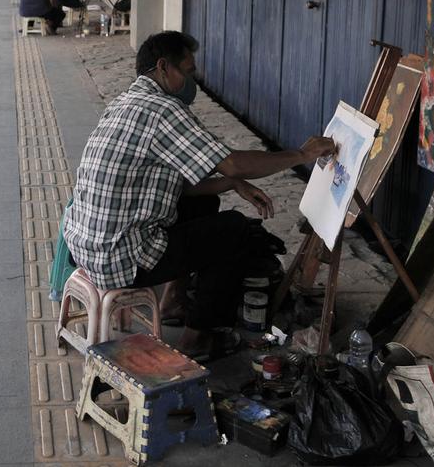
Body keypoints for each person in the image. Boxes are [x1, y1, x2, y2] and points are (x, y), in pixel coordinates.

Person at [63, 32, 335, 358]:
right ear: (164, 67)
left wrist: (231, 184)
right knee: (234, 231)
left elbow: (175, 184)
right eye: (189, 71)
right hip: (121, 258)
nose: (194, 80)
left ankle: (173, 301)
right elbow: (232, 162)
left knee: (204, 203)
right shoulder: (162, 110)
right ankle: (198, 338)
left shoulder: (124, 103)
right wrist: (300, 155)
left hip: (84, 245)